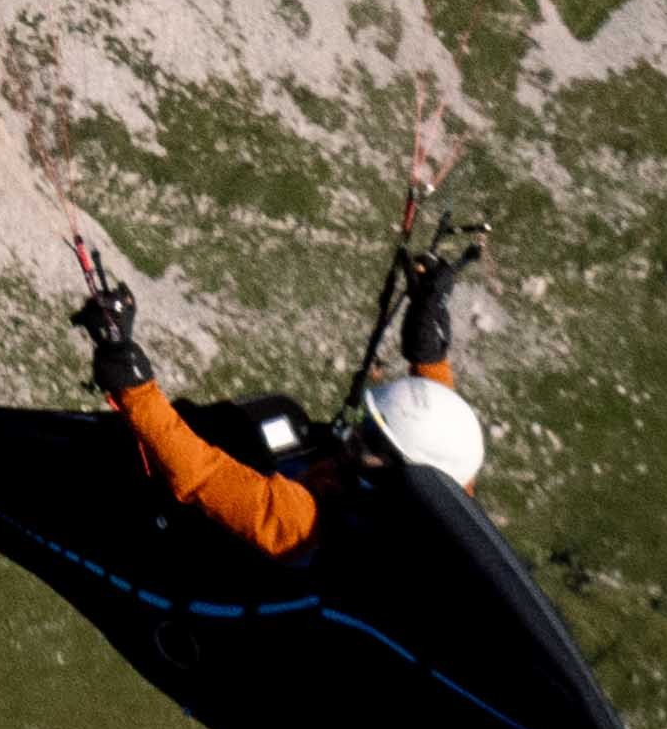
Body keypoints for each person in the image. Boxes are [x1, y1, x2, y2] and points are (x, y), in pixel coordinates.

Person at [72, 239, 486, 558]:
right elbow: (443, 454)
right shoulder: (439, 509)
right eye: (367, 426)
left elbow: (200, 473)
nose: (354, 437)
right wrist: (429, 354)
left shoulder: (304, 522)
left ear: (402, 479)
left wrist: (133, 384)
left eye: (372, 443)